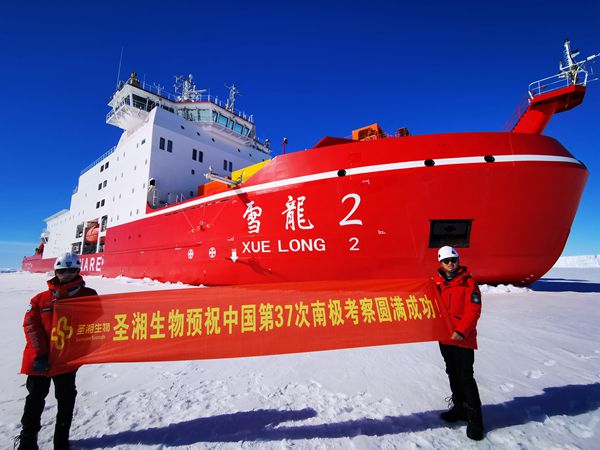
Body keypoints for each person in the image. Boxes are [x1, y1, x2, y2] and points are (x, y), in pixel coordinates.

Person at [16, 252, 97, 450]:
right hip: (39, 359)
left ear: (77, 271)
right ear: (56, 271)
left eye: (71, 270)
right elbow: (30, 325)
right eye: (62, 270)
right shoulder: (40, 299)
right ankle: (27, 442)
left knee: (66, 400)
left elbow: (97, 321)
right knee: (34, 400)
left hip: (66, 359)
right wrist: (41, 353)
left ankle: (61, 441)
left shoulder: (88, 296)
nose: (67, 274)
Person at [435, 246, 484, 441]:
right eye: (446, 261)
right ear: (440, 263)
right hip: (445, 337)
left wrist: (461, 331)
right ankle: (459, 408)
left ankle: (475, 420)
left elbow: (474, 310)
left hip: (463, 338)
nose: (450, 263)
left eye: (453, 260)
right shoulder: (436, 284)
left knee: (465, 377)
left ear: (458, 260)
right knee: (452, 373)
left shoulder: (469, 283)